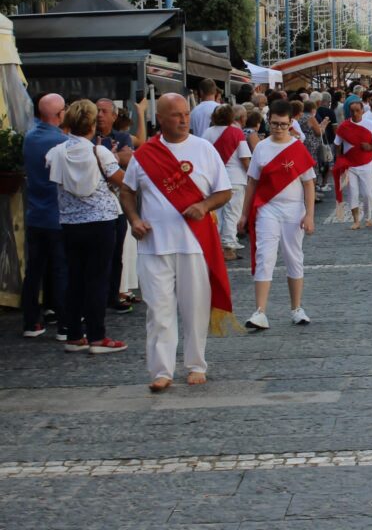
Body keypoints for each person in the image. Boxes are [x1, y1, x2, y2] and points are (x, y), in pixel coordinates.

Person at [121, 93, 235, 393]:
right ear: (160, 118)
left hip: (194, 243)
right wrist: (134, 219)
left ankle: (196, 364)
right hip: (153, 245)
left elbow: (224, 192)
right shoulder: (144, 155)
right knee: (158, 310)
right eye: (176, 115)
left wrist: (205, 206)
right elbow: (127, 192)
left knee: (195, 308)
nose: (183, 120)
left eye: (186, 114)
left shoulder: (204, 150)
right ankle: (161, 370)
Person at [45, 99, 127, 355]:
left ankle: (73, 334)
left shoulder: (56, 152)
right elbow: (122, 180)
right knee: (98, 279)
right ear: (91, 124)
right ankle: (97, 336)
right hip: (101, 222)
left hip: (69, 223)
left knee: (75, 278)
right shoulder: (98, 152)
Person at [238, 99, 316, 330]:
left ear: (291, 123)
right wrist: (244, 214)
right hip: (267, 208)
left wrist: (309, 214)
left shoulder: (297, 148)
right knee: (265, 256)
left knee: (294, 257)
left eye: (283, 124)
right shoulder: (261, 147)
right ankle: (260, 311)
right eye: (274, 124)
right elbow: (252, 182)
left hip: (293, 209)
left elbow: (309, 183)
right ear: (268, 121)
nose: (278, 128)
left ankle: (296, 308)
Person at [21, 93, 68, 340]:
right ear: (59, 115)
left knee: (34, 270)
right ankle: (63, 323)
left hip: (35, 214)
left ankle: (31, 321)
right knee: (60, 269)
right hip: (56, 214)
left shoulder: (30, 137)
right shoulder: (60, 141)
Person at [94, 98, 135, 315]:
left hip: (117, 202)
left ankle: (114, 294)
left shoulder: (122, 136)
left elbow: (130, 162)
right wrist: (116, 157)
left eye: (104, 111)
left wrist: (112, 158)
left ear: (114, 115)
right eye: (97, 111)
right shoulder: (88, 137)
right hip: (95, 204)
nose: (99, 115)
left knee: (117, 251)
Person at [202, 104, 251, 260]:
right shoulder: (236, 132)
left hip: (214, 179)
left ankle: (216, 246)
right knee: (232, 214)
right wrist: (251, 175)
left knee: (217, 215)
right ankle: (229, 246)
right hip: (235, 178)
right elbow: (244, 158)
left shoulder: (207, 133)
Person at [333, 100, 372, 229]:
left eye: (357, 110)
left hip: (367, 164)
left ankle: (369, 217)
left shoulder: (370, 125)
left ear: (362, 111)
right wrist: (339, 160)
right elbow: (336, 144)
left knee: (367, 194)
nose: (355, 113)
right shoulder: (344, 126)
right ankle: (356, 220)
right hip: (350, 165)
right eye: (352, 111)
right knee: (353, 192)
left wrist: (369, 147)